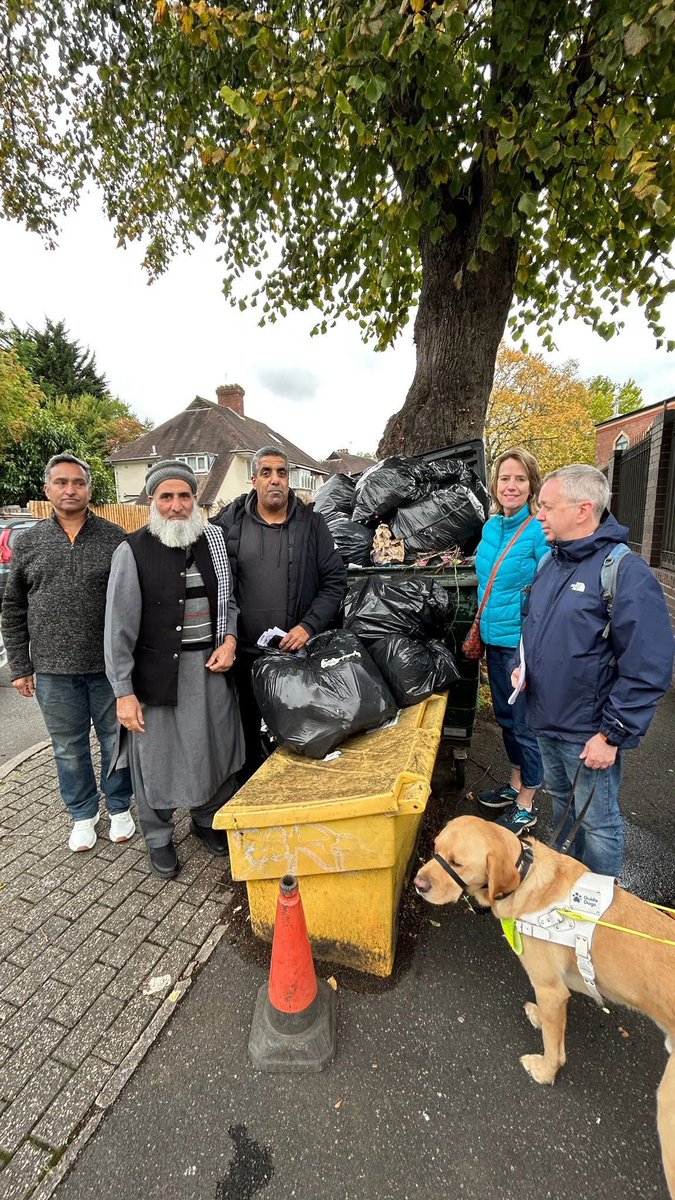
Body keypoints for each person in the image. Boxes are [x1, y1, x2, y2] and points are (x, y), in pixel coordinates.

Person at [517, 463, 673, 877]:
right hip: (547, 720)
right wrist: (525, 669)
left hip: (590, 734)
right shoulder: (551, 564)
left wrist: (612, 735)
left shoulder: (624, 571)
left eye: (548, 506)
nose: (539, 515)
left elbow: (649, 666)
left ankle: (601, 911)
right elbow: (538, 632)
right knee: (564, 812)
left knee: (599, 825)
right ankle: (568, 891)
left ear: (583, 509)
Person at [104, 459, 244, 879]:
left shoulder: (213, 542)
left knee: (213, 751)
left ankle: (206, 819)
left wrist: (231, 640)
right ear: (152, 501)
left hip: (211, 669)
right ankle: (159, 838)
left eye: (185, 496)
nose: (177, 505)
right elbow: (117, 630)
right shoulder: (132, 550)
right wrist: (123, 693)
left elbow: (230, 604)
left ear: (195, 500)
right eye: (167, 496)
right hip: (157, 678)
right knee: (158, 761)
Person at [1, 454, 135, 852]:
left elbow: (131, 603)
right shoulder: (29, 542)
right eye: (61, 482)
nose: (70, 489)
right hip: (53, 671)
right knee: (68, 746)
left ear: (89, 490)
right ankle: (82, 814)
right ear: (47, 490)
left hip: (108, 668)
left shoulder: (114, 539)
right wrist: (20, 665)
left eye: (78, 482)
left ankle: (120, 805)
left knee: (116, 740)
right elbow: (13, 608)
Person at [212, 447, 347, 780]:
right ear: (254, 479)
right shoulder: (229, 525)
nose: (275, 480)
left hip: (296, 657)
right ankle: (250, 799)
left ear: (289, 479)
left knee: (298, 736)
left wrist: (308, 625)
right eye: (267, 472)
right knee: (245, 736)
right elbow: (211, 580)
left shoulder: (312, 525)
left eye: (282, 473)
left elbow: (335, 582)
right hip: (245, 658)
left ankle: (296, 794)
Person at [474, 448, 550, 832]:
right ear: (495, 485)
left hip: (521, 644)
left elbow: (549, 586)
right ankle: (515, 782)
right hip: (493, 639)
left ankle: (527, 803)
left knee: (524, 724)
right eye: (505, 478)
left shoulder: (539, 530)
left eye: (520, 478)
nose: (512, 485)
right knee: (506, 719)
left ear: (531, 484)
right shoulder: (490, 528)